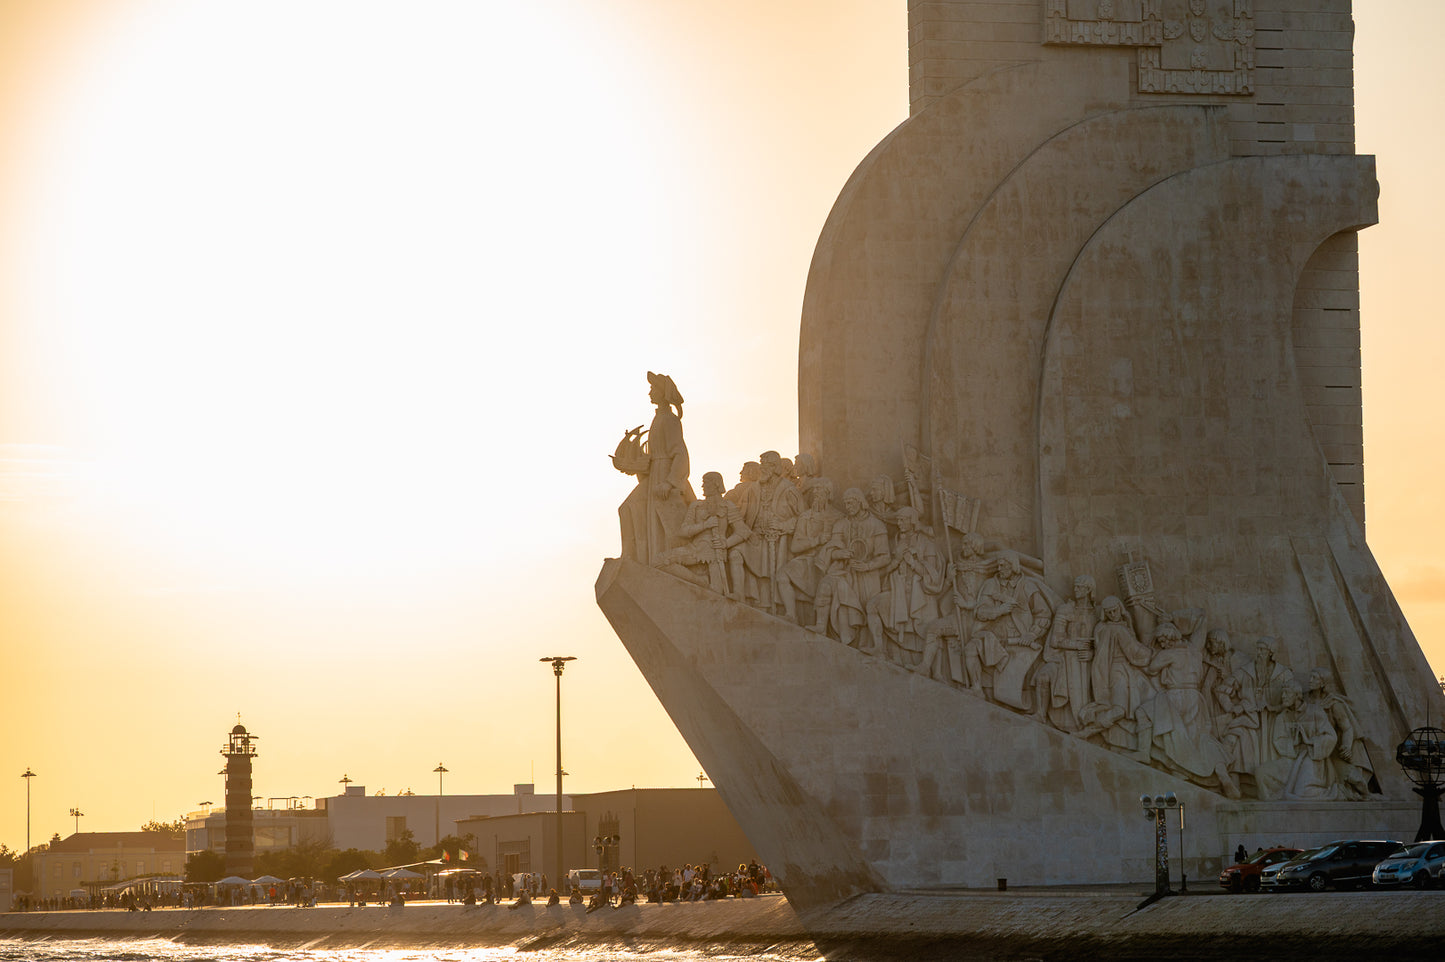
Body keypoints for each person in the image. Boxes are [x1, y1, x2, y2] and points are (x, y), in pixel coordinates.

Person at [616, 371, 695, 562]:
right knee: (628, 508)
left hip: (665, 475)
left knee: (657, 521)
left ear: (662, 393)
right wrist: (638, 465)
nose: (650, 392)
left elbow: (680, 453)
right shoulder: (658, 418)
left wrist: (670, 482)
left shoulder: (670, 420)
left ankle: (643, 558)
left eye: (653, 389)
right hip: (654, 473)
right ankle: (633, 556)